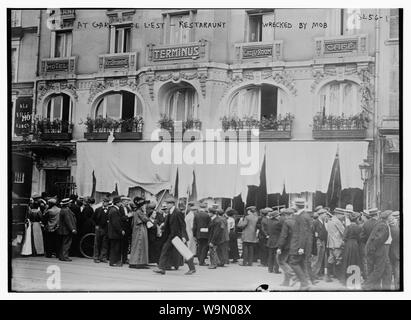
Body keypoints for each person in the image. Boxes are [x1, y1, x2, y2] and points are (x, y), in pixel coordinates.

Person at [154, 197, 196, 275]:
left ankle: (192, 268)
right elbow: (168, 224)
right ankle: (162, 268)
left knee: (185, 252)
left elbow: (183, 225)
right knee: (164, 250)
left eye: (167, 204)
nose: (166, 205)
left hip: (178, 237)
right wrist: (163, 227)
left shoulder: (177, 212)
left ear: (172, 204)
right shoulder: (170, 212)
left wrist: (183, 236)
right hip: (171, 236)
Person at [363, 210, 394, 290]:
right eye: (391, 216)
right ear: (387, 217)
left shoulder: (381, 223)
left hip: (379, 249)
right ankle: (366, 285)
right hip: (380, 250)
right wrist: (373, 251)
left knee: (387, 269)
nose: (392, 217)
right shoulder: (383, 225)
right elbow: (377, 240)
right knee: (379, 271)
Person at [288, 198, 313, 290]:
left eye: (294, 205)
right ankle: (304, 284)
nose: (293, 206)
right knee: (301, 263)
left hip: (298, 244)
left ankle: (304, 283)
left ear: (297, 206)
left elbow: (303, 233)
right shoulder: (305, 215)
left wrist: (301, 247)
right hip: (303, 244)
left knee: (293, 262)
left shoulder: (301, 217)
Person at [276, 208, 297, 287]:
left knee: (281, 261)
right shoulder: (296, 222)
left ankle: (294, 275)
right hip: (294, 246)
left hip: (286, 246)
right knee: (287, 263)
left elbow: (283, 236)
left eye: (285, 215)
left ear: (287, 215)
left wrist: (280, 247)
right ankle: (286, 282)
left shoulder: (287, 222)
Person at [341, 211, 362, 285]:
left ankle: (346, 279)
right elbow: (360, 238)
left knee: (347, 261)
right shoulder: (359, 227)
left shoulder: (348, 227)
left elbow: (344, 238)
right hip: (355, 245)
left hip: (348, 245)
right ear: (356, 219)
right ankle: (354, 279)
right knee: (355, 261)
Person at [325, 208, 345, 283]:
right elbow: (343, 231)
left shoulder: (330, 220)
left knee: (330, 259)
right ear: (338, 214)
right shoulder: (337, 221)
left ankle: (328, 276)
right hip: (337, 244)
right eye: (342, 214)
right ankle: (339, 277)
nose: (343, 216)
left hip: (330, 243)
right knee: (339, 259)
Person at [129, 198, 150, 269]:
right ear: (141, 206)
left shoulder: (136, 211)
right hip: (140, 230)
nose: (145, 206)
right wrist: (145, 213)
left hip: (137, 229)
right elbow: (145, 219)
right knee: (140, 245)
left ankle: (135, 262)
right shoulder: (139, 212)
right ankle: (138, 262)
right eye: (144, 205)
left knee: (136, 245)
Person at [360, 208, 380, 279]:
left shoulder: (366, 224)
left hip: (368, 247)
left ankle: (368, 279)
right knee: (377, 264)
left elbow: (362, 237)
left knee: (368, 264)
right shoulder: (379, 223)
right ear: (377, 214)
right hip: (378, 248)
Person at [311, 208, 328, 280]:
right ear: (321, 215)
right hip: (317, 242)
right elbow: (312, 233)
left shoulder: (322, 222)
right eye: (325, 214)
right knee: (316, 259)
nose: (326, 215)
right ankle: (312, 275)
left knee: (320, 259)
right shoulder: (315, 222)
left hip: (322, 242)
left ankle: (316, 274)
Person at [92, 197, 110, 263]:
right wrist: (96, 225)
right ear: (103, 202)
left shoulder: (110, 210)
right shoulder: (98, 210)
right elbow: (93, 219)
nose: (106, 203)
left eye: (107, 202)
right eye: (105, 202)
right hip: (99, 228)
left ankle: (103, 257)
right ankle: (96, 257)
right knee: (97, 243)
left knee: (105, 243)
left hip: (106, 229)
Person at [108, 196, 124, 267]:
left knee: (114, 247)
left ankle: (114, 261)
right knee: (115, 248)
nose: (121, 203)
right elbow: (116, 223)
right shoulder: (114, 211)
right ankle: (113, 262)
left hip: (113, 232)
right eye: (120, 202)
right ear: (117, 203)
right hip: (115, 233)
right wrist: (121, 230)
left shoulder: (113, 209)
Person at [264, 209, 282, 274]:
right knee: (276, 256)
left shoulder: (269, 222)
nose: (279, 216)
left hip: (270, 240)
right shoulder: (278, 223)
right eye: (278, 215)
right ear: (276, 216)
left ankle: (270, 269)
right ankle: (276, 269)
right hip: (277, 240)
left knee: (270, 255)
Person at [119, 196, 132, 264]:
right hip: (122, 228)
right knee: (121, 244)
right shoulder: (120, 208)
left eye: (128, 201)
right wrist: (127, 216)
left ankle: (125, 258)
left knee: (126, 244)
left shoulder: (127, 208)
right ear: (123, 201)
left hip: (127, 229)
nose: (127, 202)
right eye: (126, 201)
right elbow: (120, 218)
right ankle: (120, 259)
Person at [389, 211, 400, 290]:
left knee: (389, 270)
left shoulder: (388, 228)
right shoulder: (398, 228)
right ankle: (397, 287)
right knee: (397, 270)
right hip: (397, 252)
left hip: (389, 252)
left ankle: (388, 287)